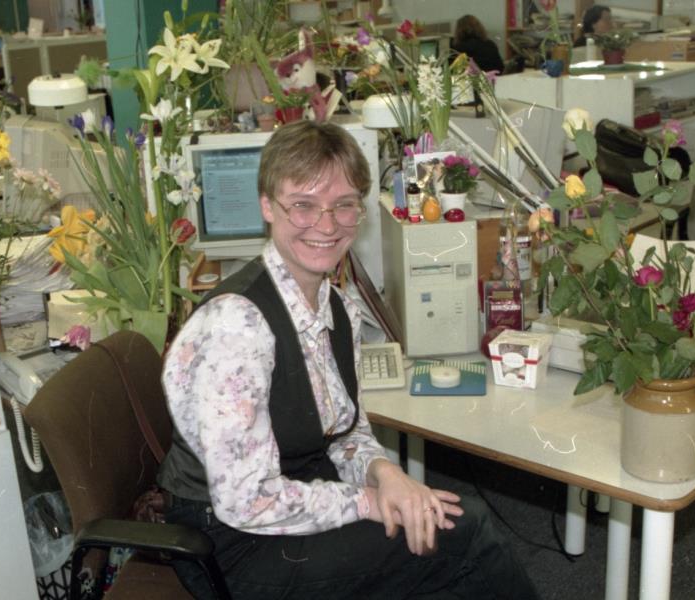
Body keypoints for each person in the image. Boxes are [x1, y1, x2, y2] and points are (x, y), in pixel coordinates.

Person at [157, 119, 540, 600]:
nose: (326, 225)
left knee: (437, 530)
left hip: (297, 498)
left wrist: (387, 476)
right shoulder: (237, 326)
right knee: (466, 536)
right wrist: (368, 502)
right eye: (303, 205)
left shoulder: (337, 307)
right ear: (267, 207)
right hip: (230, 545)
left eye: (343, 205)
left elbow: (345, 432)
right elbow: (246, 501)